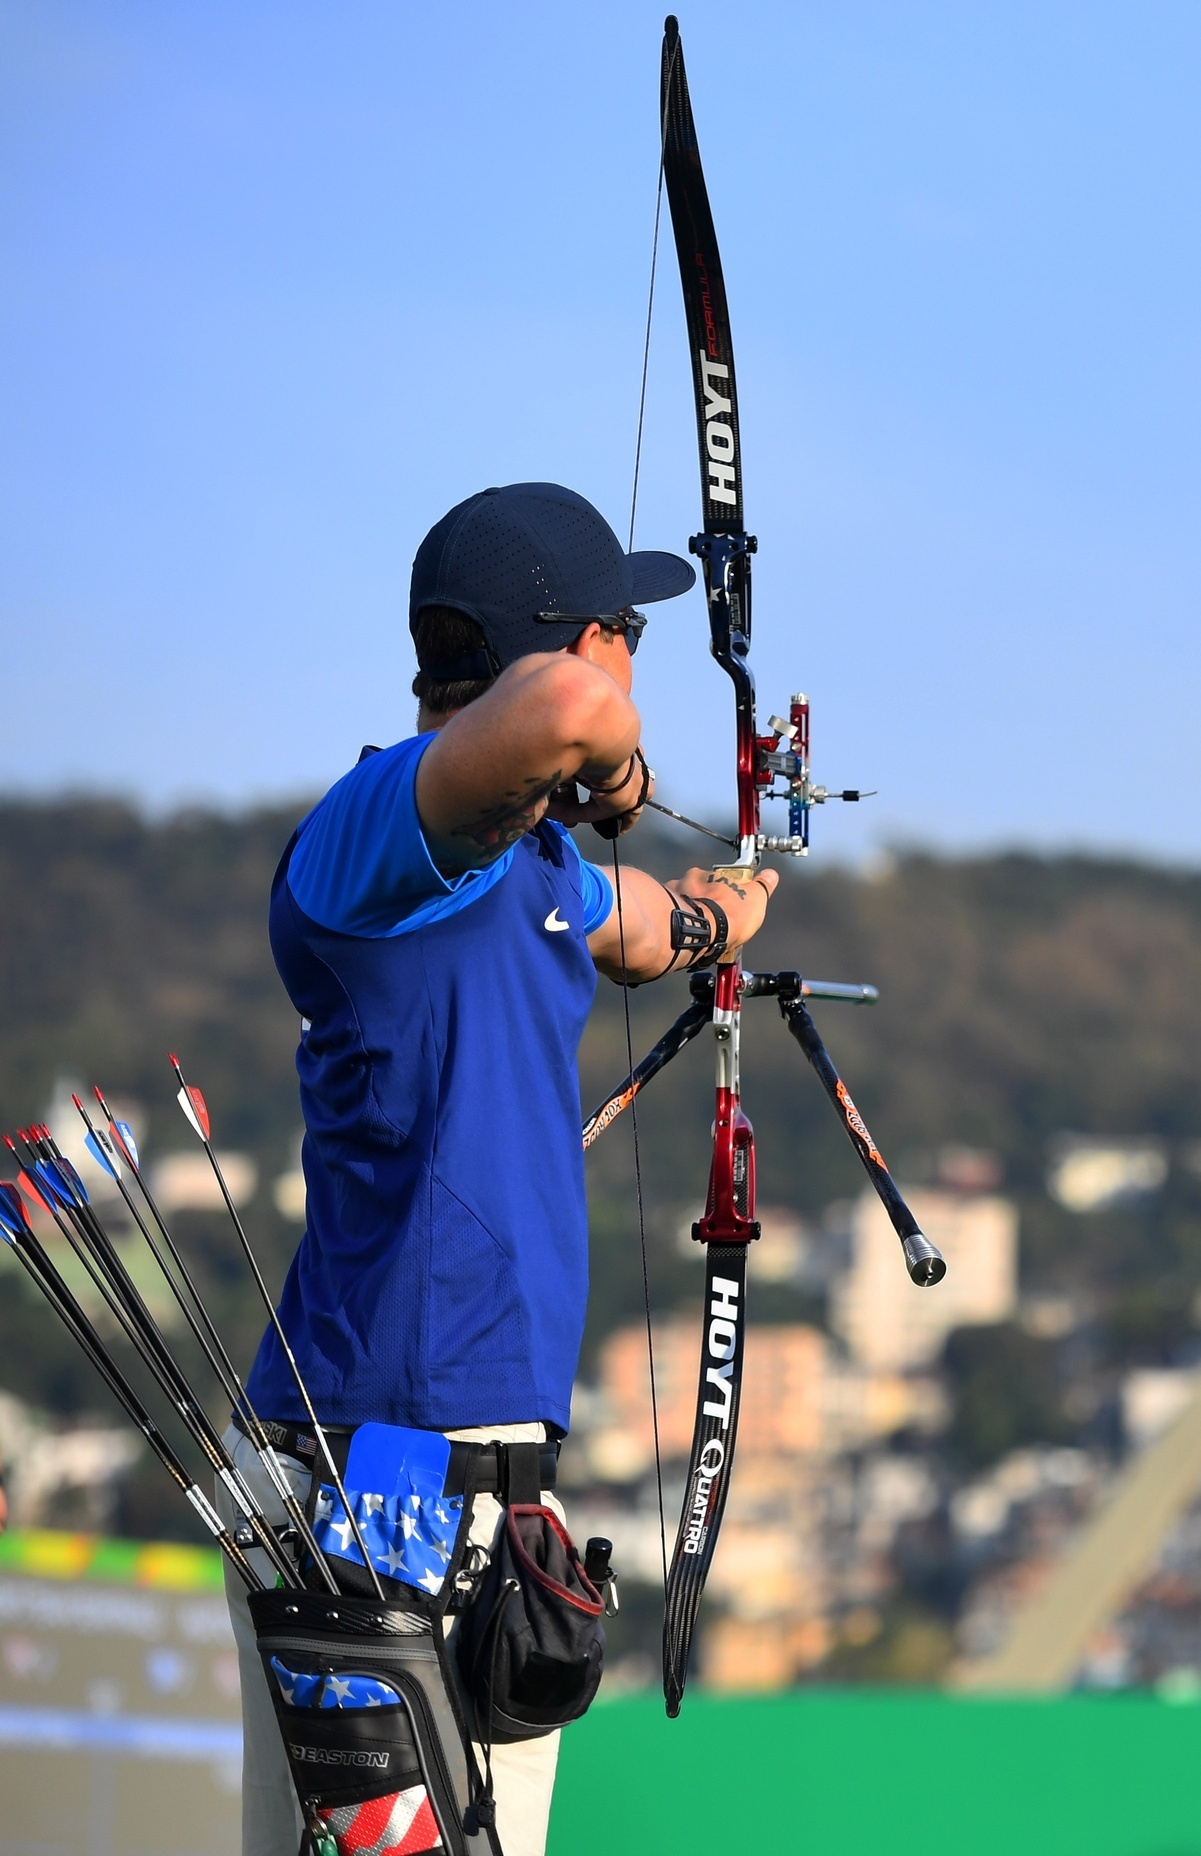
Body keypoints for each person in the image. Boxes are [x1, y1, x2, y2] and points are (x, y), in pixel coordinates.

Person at [223, 482, 776, 1856]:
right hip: (392, 1473)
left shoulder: (513, 867)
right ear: (577, 642)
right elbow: (576, 722)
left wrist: (733, 905)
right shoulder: (380, 839)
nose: (628, 667)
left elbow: (641, 922)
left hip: (463, 1472)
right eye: (623, 636)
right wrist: (619, 768)